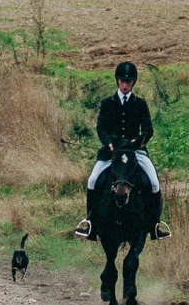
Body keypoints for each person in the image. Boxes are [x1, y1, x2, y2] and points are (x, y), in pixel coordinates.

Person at [73, 61, 171, 241]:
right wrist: (109, 143)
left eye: (129, 81)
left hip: (135, 153)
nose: (125, 85)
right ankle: (91, 224)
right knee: (93, 180)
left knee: (155, 182)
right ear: (117, 81)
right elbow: (101, 128)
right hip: (111, 152)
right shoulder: (107, 103)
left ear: (133, 83)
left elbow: (148, 130)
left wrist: (137, 141)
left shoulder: (140, 104)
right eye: (122, 81)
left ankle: (154, 225)